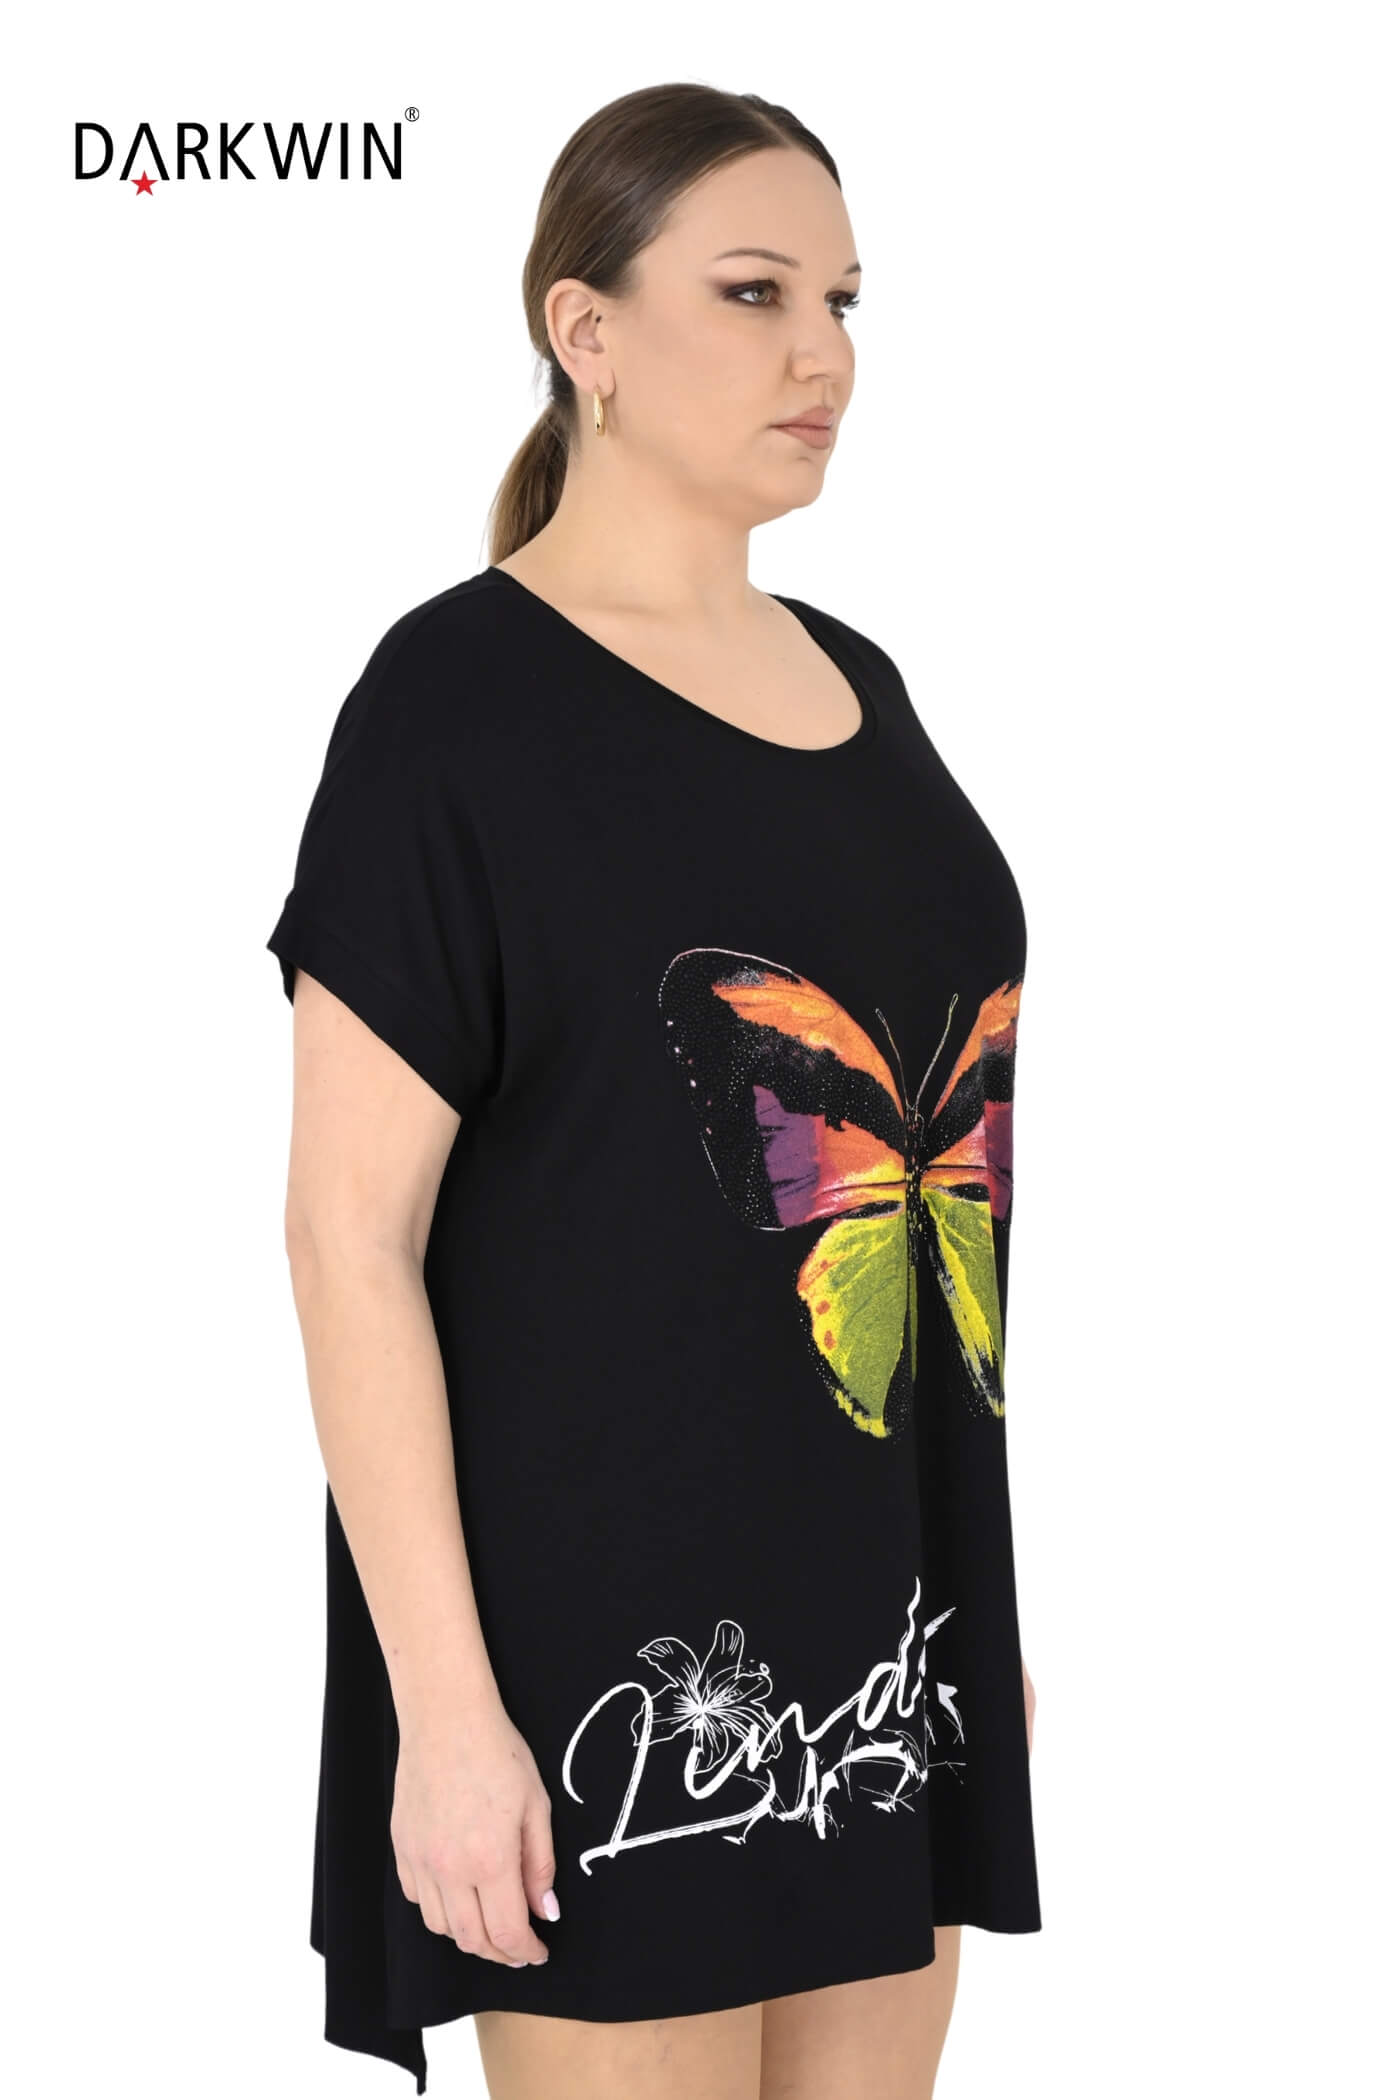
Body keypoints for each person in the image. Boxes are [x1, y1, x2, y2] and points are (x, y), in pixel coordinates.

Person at [267, 80, 1041, 2100]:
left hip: (888, 1649)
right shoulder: (455, 705)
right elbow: (349, 1240)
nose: (822, 354)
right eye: (755, 292)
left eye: (845, 301)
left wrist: (972, 1612)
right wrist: (447, 1714)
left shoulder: (867, 689)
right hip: (610, 1678)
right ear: (584, 330)